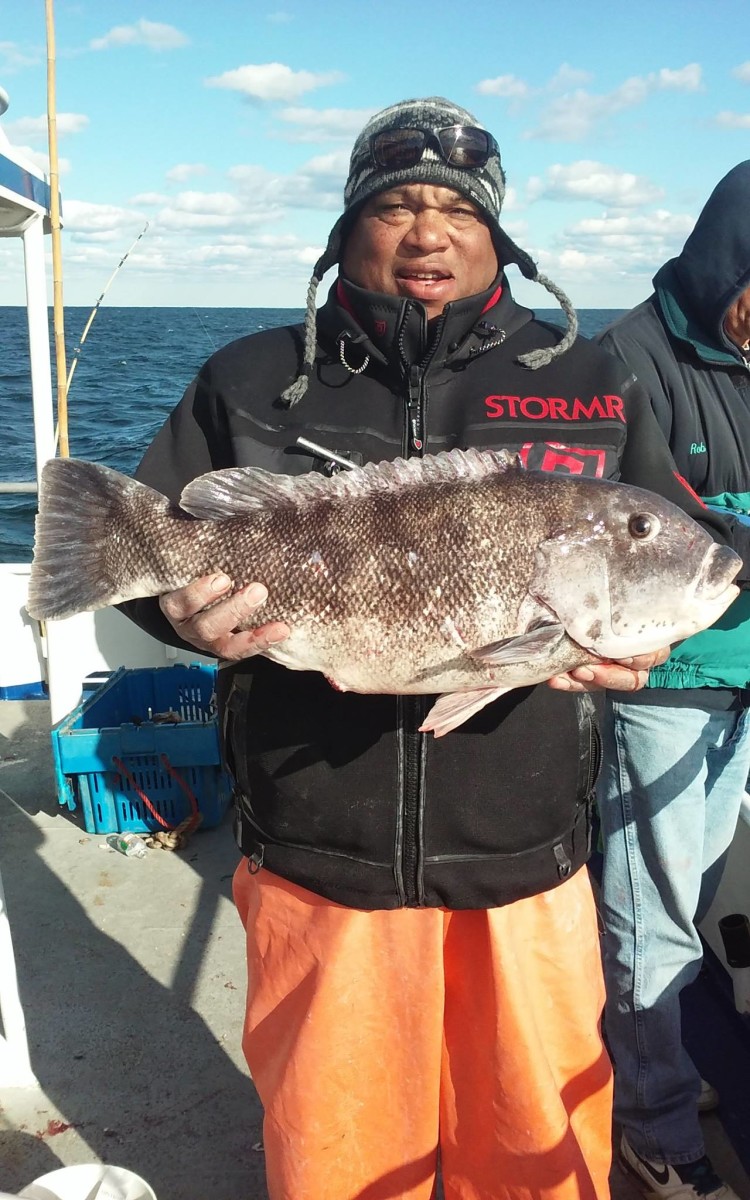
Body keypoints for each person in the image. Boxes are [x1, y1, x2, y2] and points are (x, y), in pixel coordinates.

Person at [121, 100, 744, 1200]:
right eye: (397, 205)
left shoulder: (591, 376)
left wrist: (642, 648)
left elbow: (671, 536)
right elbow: (150, 552)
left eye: (458, 210)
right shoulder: (250, 374)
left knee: (538, 1141)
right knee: (338, 1146)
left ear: (497, 237)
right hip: (318, 847)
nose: (427, 232)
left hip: (526, 854)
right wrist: (176, 619)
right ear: (348, 227)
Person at [594, 160, 750, 1200]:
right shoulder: (624, 360)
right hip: (664, 674)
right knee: (648, 906)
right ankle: (652, 1124)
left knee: (695, 891)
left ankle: (666, 1067)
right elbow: (618, 523)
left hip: (741, 683)